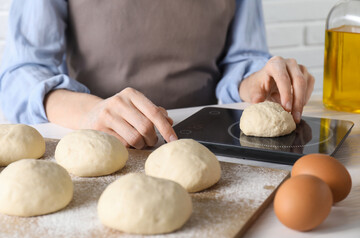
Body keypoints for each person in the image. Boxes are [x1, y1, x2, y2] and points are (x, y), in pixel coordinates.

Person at [0, 0, 314, 149]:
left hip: (201, 145)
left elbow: (242, 58)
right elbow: (21, 73)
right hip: (96, 138)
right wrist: (88, 110)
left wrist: (258, 82)